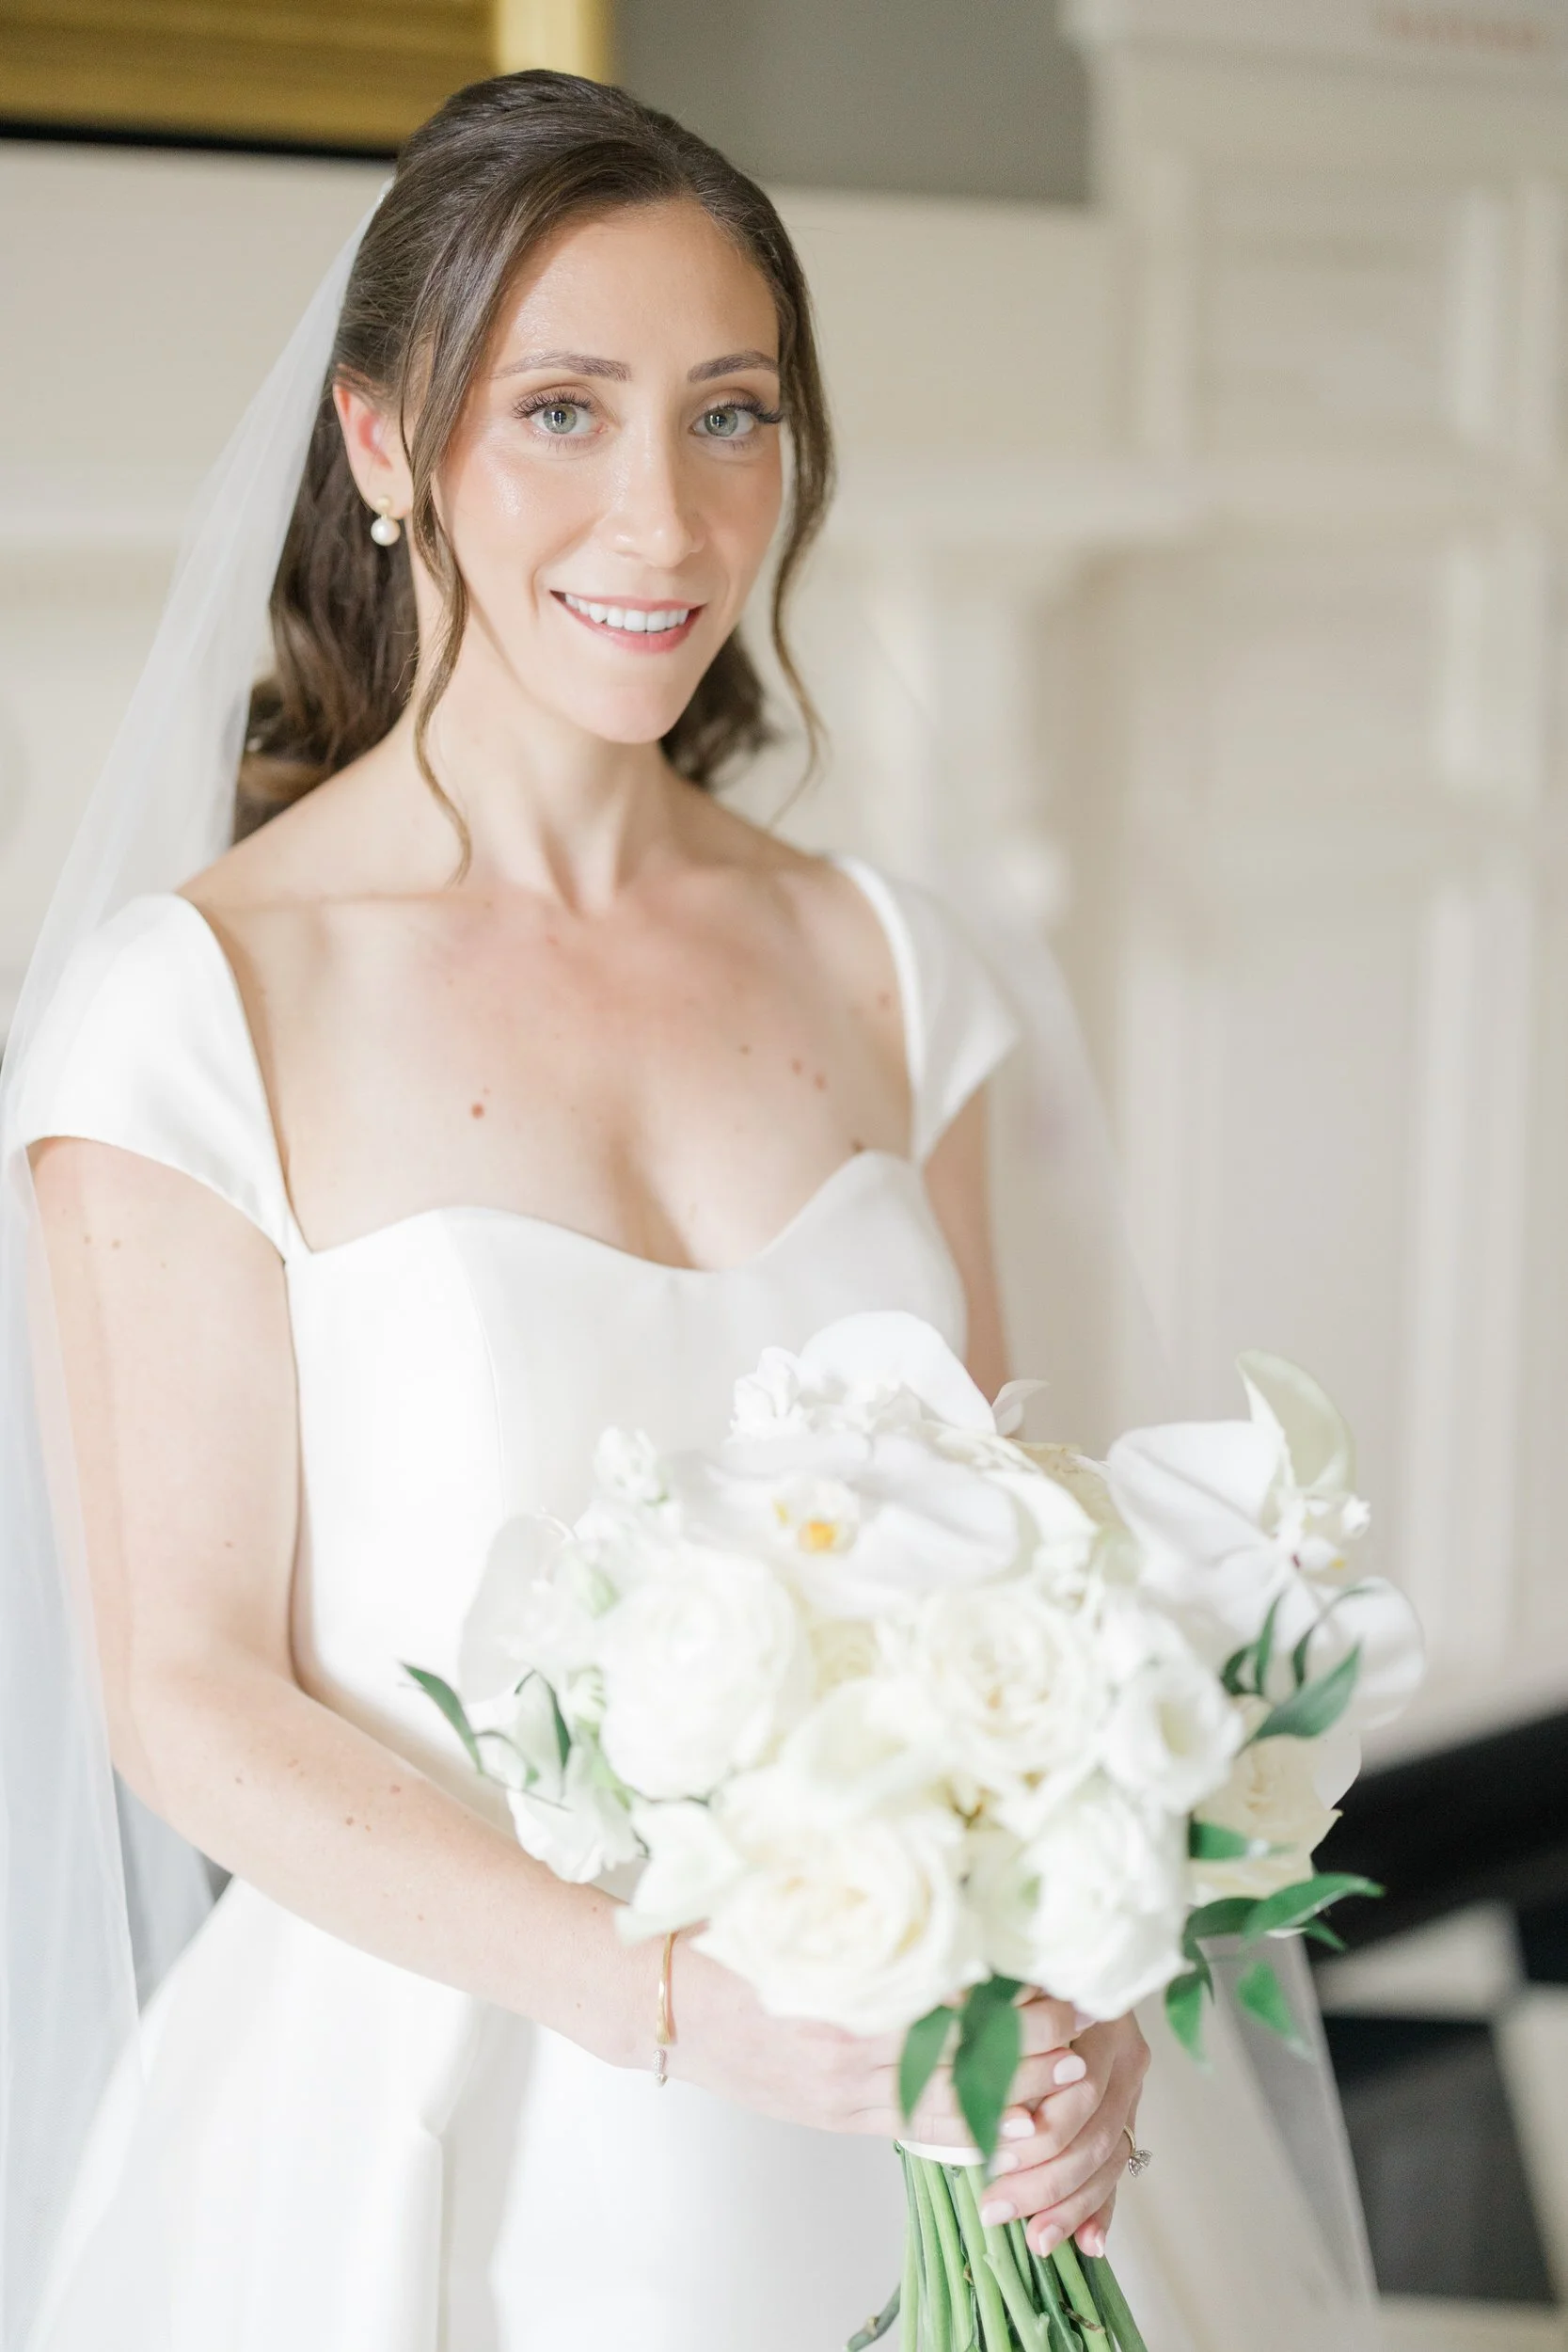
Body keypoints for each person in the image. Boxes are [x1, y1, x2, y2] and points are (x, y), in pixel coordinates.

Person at [13, 73, 1153, 2348]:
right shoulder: (195, 1008)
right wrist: (678, 2009)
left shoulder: (881, 961)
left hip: (908, 2113)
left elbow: (1024, 1560)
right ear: (377, 446)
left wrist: (1088, 1968)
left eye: (729, 416)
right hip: (433, 2146)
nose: (663, 514)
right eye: (561, 410)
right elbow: (190, 1691)